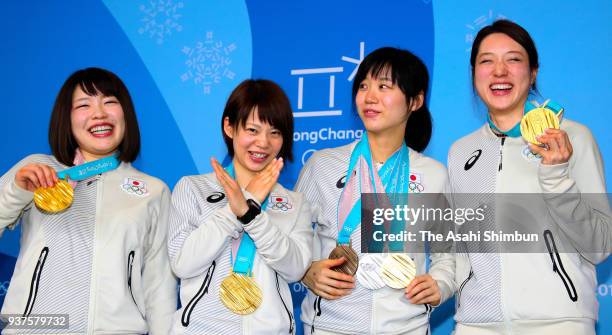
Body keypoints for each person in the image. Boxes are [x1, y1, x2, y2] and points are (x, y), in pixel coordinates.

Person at [448, 19, 610, 334]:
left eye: (513, 59)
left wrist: (556, 176)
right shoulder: (460, 151)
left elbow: (599, 246)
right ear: (473, 74)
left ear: (533, 71)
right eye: (486, 61)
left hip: (559, 323)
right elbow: (459, 251)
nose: (499, 71)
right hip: (476, 325)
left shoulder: (573, 138)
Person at [0, 67, 176, 334]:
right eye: (84, 105)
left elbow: (159, 282)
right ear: (66, 119)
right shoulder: (37, 170)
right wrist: (17, 192)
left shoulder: (154, 190)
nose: (99, 113)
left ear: (125, 115)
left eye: (110, 102)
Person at [297, 47, 455, 335]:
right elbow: (288, 237)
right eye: (363, 86)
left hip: (407, 327)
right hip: (329, 326)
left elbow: (449, 252)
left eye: (384, 86)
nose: (369, 97)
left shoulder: (434, 174)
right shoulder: (322, 165)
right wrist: (306, 270)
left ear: (415, 101)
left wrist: (441, 283)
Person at [167, 79, 312, 335]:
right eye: (253, 130)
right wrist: (234, 210)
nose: (263, 143)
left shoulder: (294, 202)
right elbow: (183, 263)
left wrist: (250, 213)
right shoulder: (192, 188)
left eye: (275, 132)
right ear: (230, 127)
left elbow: (295, 269)